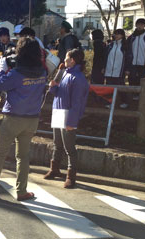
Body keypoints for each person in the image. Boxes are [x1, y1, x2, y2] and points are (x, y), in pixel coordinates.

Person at [0, 37, 47, 201]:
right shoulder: (42, 72)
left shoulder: (16, 73)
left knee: (0, 153)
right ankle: (21, 191)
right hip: (32, 119)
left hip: (13, 118)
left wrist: (1, 68)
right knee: (23, 156)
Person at [43, 48, 89, 189]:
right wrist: (53, 87)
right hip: (58, 110)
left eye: (66, 58)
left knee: (69, 147)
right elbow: (57, 93)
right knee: (57, 143)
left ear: (72, 60)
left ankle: (71, 176)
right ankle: (55, 168)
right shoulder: (64, 73)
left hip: (68, 114)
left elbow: (77, 103)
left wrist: (71, 122)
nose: (63, 60)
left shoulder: (78, 78)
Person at [126, 19, 145, 98]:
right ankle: (131, 95)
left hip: (143, 63)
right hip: (132, 63)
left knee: (141, 80)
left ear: (144, 26)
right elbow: (127, 50)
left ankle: (139, 96)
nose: (140, 26)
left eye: (142, 24)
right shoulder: (131, 38)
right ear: (136, 25)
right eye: (138, 24)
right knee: (131, 79)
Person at [103, 29, 130, 109]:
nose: (117, 35)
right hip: (109, 70)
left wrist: (127, 69)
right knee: (108, 88)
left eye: (119, 34)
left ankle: (124, 102)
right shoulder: (110, 45)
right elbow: (105, 57)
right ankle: (109, 102)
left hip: (119, 70)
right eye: (115, 34)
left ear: (122, 35)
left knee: (121, 87)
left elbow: (128, 58)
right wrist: (104, 67)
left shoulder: (125, 46)